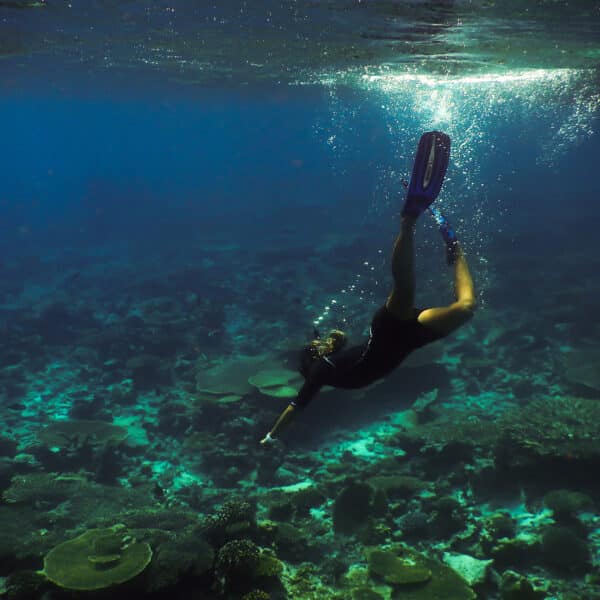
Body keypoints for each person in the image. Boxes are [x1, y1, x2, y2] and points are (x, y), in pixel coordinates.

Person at [260, 131, 476, 445]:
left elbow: (296, 407)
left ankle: (408, 220)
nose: (321, 346)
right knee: (466, 308)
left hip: (389, 332)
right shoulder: (327, 368)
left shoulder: (322, 370)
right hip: (407, 343)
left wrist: (272, 437)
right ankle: (455, 248)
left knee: (405, 286)